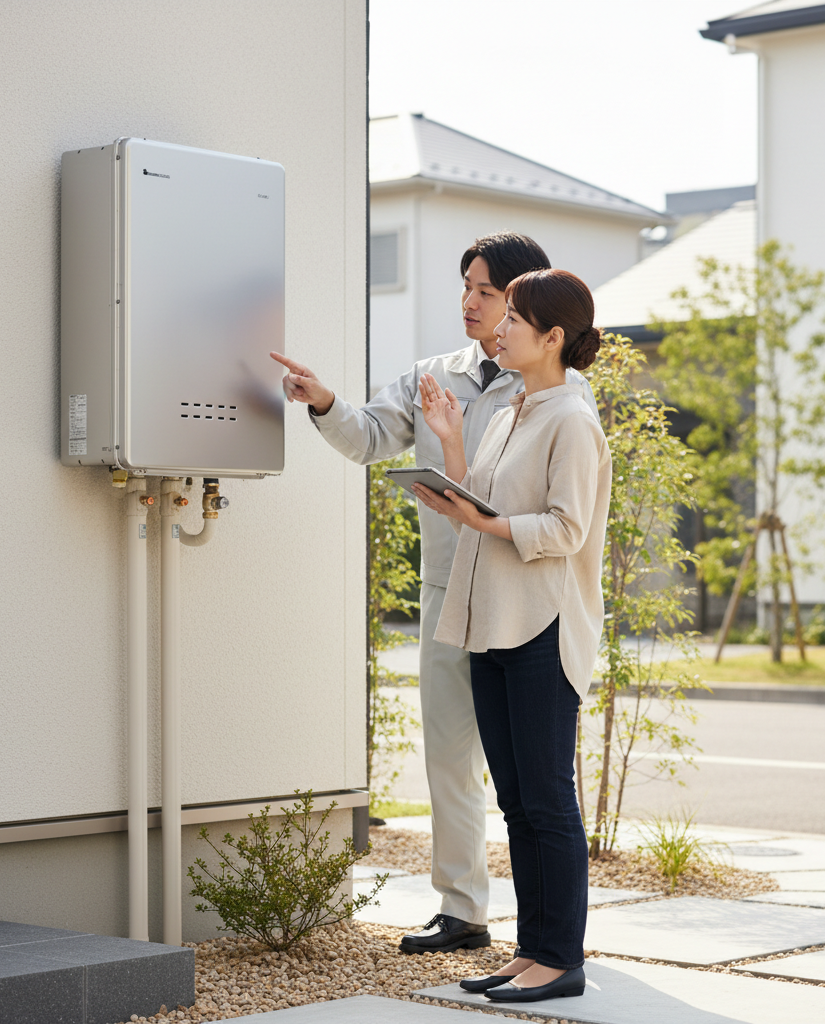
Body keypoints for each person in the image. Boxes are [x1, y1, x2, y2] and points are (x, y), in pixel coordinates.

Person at [271, 234, 599, 955]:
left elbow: (559, 516)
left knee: (535, 790)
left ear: (527, 309)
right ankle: (464, 910)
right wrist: (324, 400)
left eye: (488, 292)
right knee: (453, 757)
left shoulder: (555, 393)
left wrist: (476, 506)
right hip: (451, 593)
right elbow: (366, 438)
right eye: (467, 287)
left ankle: (549, 948)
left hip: (526, 603)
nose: (471, 302)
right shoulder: (435, 377)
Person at [411, 268, 610, 1003]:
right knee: (518, 804)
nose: (498, 328)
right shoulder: (513, 411)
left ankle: (562, 958)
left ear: (552, 337)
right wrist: (450, 446)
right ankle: (532, 952)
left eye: (514, 318)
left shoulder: (571, 420)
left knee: (549, 801)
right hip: (492, 626)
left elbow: (565, 528)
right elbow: (484, 503)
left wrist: (483, 522)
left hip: (542, 627)